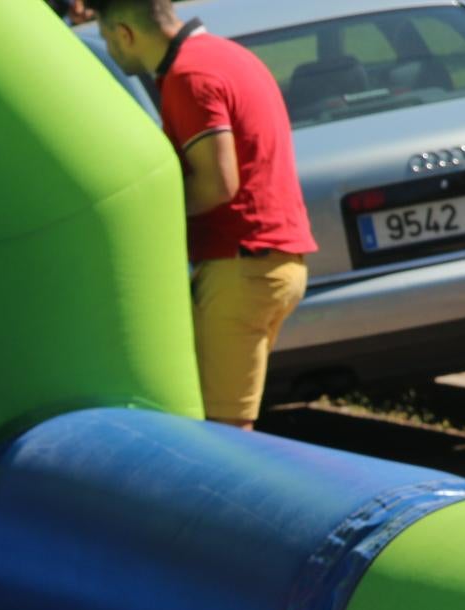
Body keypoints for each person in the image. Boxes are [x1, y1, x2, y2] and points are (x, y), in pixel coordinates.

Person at [86, 0, 316, 429]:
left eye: (105, 39)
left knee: (226, 431)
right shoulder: (226, 54)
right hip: (272, 262)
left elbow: (218, 183)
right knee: (225, 421)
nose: (112, 54)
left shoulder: (189, 76)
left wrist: (145, 219)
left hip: (241, 267)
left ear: (124, 33)